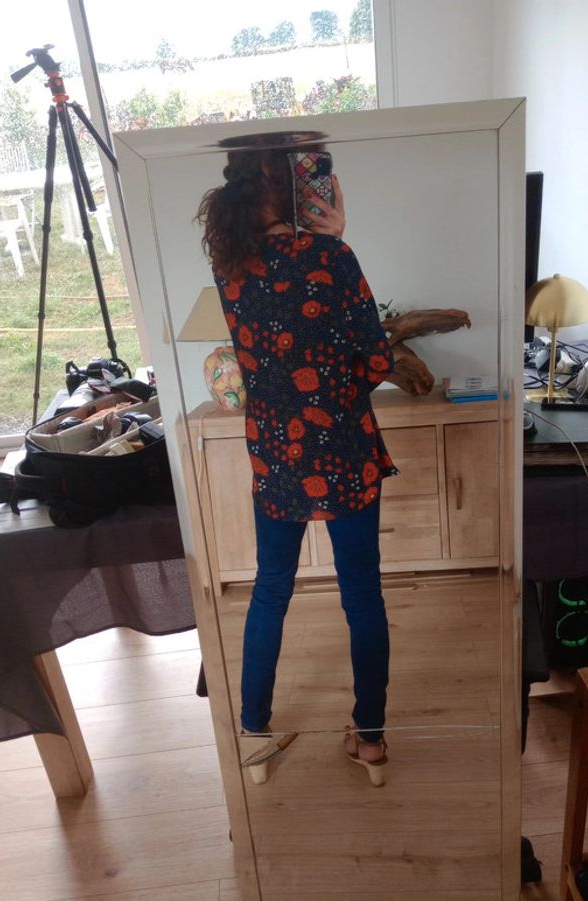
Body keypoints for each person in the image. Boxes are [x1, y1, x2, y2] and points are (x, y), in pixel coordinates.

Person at [196, 144, 396, 787]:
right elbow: (379, 362)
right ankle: (370, 741)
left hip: (277, 453)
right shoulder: (332, 256)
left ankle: (255, 738)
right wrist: (335, 238)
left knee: (270, 589)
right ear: (290, 184)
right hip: (345, 450)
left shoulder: (229, 267)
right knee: (362, 592)